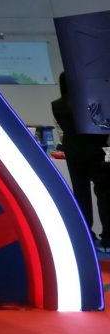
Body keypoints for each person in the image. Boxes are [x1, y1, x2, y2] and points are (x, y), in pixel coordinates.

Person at [52, 71, 110, 253]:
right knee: (104, 194)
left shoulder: (57, 105)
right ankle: (108, 238)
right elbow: (104, 128)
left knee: (81, 193)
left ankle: (86, 236)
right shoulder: (94, 103)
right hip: (97, 151)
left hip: (73, 152)